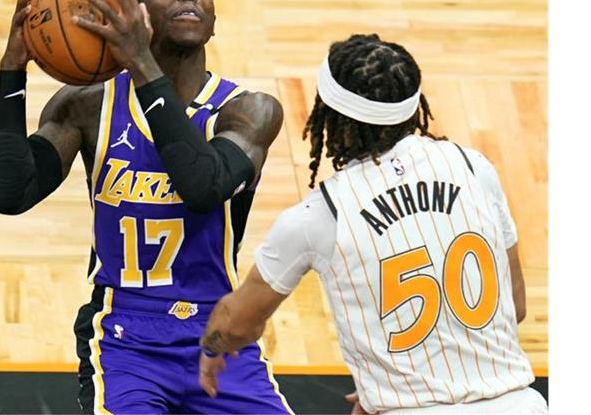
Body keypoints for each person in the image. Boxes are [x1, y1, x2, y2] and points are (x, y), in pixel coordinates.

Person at [0, 0, 292, 414]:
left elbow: (202, 187)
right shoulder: (88, 106)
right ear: (137, 13)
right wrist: (12, 69)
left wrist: (140, 60)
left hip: (218, 332)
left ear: (213, 20)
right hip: (124, 337)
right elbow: (9, 194)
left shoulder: (248, 110)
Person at [198, 34, 548, 414]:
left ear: (325, 114)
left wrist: (212, 347)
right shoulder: (473, 167)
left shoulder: (320, 215)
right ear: (415, 109)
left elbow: (237, 324)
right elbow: (514, 304)